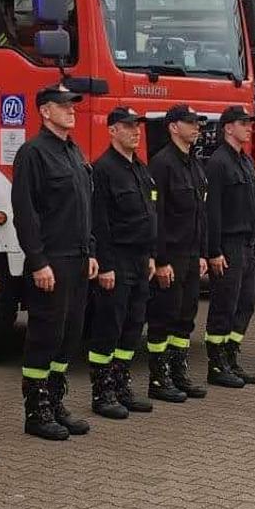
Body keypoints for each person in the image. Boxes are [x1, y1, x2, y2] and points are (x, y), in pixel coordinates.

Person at [11, 82, 96, 441]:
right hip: (52, 260)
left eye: (72, 104)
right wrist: (38, 261)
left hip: (78, 258)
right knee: (45, 335)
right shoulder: (33, 153)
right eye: (63, 105)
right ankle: (36, 411)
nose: (71, 109)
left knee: (69, 334)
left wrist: (91, 250)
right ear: (45, 111)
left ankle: (56, 402)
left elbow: (85, 207)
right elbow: (25, 212)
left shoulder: (74, 151)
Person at [86, 107, 159, 420]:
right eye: (128, 127)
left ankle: (121, 384)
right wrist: (105, 265)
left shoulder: (140, 168)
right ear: (112, 130)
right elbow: (99, 222)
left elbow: (149, 214)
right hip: (116, 259)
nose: (135, 131)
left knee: (132, 326)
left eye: (137, 126)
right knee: (109, 326)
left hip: (141, 259)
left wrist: (151, 255)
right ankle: (102, 391)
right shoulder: (103, 169)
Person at [147, 105, 217, 395]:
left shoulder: (194, 164)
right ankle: (158, 378)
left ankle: (178, 372)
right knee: (164, 315)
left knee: (186, 317)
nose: (196, 127)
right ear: (173, 127)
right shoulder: (162, 164)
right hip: (171, 256)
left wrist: (201, 253)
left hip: (190, 255)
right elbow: (157, 217)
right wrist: (161, 260)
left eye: (197, 122)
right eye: (190, 123)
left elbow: (200, 213)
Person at [203, 106, 255, 385]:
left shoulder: (245, 161)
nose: (249, 128)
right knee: (224, 305)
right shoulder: (219, 162)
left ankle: (230, 356)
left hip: (248, 244)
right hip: (229, 245)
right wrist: (214, 250)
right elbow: (212, 211)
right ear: (228, 128)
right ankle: (216, 366)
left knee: (245, 303)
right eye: (243, 123)